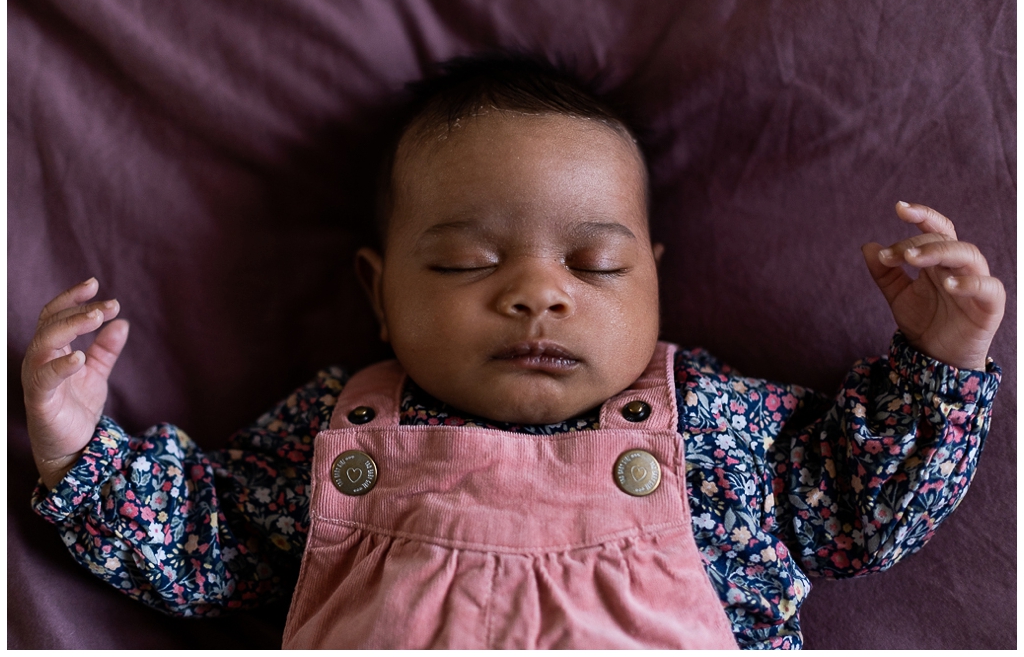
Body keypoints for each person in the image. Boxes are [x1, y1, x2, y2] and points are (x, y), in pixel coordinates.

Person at [23, 56, 1004, 649]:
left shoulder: (719, 421)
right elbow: (204, 544)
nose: (538, 290)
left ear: (654, 279)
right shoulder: (334, 430)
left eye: (595, 261)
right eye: (464, 260)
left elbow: (859, 511)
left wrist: (939, 361)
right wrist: (77, 444)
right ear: (379, 291)